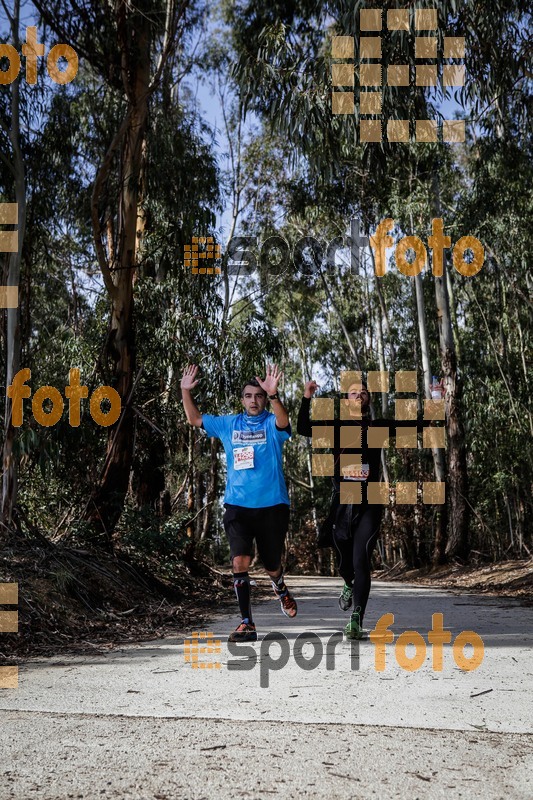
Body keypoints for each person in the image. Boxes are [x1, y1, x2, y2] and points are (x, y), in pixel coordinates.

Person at [297, 377, 428, 640]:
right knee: (345, 563)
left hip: (371, 501)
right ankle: (347, 584)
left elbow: (415, 425)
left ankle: (356, 619)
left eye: (363, 392)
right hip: (343, 501)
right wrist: (306, 397)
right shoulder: (335, 428)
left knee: (361, 561)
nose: (359, 396)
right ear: (345, 400)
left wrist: (435, 402)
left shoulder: (377, 427)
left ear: (368, 399)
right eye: (353, 392)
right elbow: (302, 427)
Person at [180, 363, 297, 642]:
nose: (254, 400)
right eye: (249, 396)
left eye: (258, 396)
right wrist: (185, 391)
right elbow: (195, 419)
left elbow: (284, 422)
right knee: (239, 561)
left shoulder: (271, 422)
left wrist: (274, 396)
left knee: (271, 564)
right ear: (242, 399)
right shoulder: (229, 424)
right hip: (238, 507)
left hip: (272, 506)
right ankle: (247, 623)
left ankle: (279, 586)